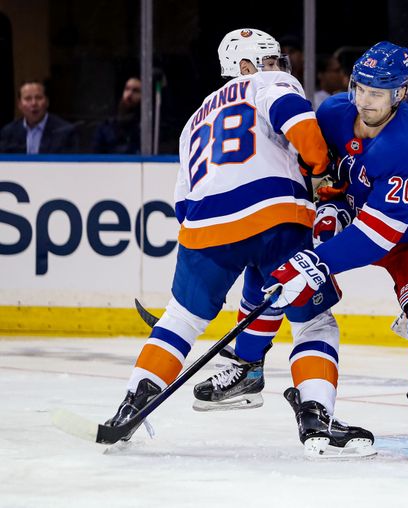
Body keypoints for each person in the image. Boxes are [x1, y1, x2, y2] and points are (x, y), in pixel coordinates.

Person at [104, 28, 374, 458]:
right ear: (245, 67)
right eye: (268, 60)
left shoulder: (193, 120)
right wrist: (323, 170)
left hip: (204, 229)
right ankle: (316, 418)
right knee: (314, 322)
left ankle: (130, 405)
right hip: (276, 216)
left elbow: (181, 200)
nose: (278, 67)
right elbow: (302, 127)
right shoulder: (270, 84)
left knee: (181, 320)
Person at [264, 41, 408, 452]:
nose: (364, 101)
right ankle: (250, 364)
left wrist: (317, 260)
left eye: (376, 94)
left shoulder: (406, 146)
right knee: (293, 276)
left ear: (400, 94)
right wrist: (329, 202)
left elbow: (377, 237)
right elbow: (319, 167)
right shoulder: (333, 112)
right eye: (360, 88)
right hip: (362, 220)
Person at [0, 80, 78, 154]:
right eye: (28, 99)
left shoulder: (65, 131)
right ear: (19, 104)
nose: (34, 103)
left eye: (38, 98)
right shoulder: (8, 133)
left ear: (47, 102)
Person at [91, 76, 142, 154]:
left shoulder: (145, 128)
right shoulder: (106, 127)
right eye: (127, 89)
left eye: (135, 91)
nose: (130, 94)